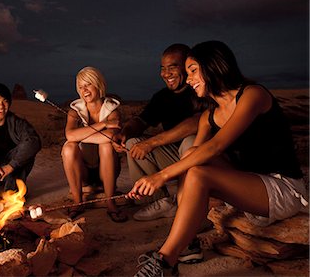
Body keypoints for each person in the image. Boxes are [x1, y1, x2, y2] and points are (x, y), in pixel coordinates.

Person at [130, 40, 307, 277]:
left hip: (282, 189)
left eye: (193, 70)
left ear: (213, 66)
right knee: (192, 156)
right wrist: (149, 183)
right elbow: (196, 159)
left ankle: (165, 262)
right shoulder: (208, 116)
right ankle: (187, 243)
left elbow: (216, 146)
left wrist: (160, 176)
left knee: (199, 168)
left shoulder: (252, 95)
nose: (188, 78)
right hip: (249, 185)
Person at [113, 43, 201, 222]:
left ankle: (188, 202)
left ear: (187, 65)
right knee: (132, 143)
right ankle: (162, 201)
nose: (165, 74)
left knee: (190, 141)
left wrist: (152, 142)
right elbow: (141, 121)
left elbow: (196, 123)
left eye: (172, 67)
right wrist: (125, 132)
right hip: (173, 157)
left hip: (200, 159)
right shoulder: (162, 97)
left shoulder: (199, 89)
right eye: (162, 68)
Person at [61, 66, 128, 223]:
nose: (84, 90)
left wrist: (81, 135)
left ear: (98, 84)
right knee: (68, 147)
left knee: (105, 145)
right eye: (80, 86)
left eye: (88, 84)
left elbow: (111, 136)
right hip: (83, 171)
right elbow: (69, 135)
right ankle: (78, 202)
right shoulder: (74, 111)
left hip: (107, 171)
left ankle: (110, 203)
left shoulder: (112, 109)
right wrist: (103, 124)